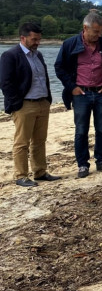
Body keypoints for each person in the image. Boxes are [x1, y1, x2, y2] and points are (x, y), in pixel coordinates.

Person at [54, 13, 102, 179]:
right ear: (85, 28)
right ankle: (82, 164)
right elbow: (59, 67)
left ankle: (101, 160)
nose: (98, 35)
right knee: (81, 130)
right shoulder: (69, 44)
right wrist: (71, 87)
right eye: (95, 32)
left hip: (101, 93)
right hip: (80, 94)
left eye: (100, 32)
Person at [1, 23, 60, 186]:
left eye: (39, 39)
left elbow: (44, 78)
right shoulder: (10, 55)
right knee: (22, 142)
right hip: (24, 106)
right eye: (34, 39)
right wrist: (16, 104)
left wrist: (48, 99)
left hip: (42, 103)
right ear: (23, 38)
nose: (37, 42)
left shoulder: (38, 55)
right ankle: (21, 175)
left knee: (40, 140)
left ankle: (40, 172)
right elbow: (5, 83)